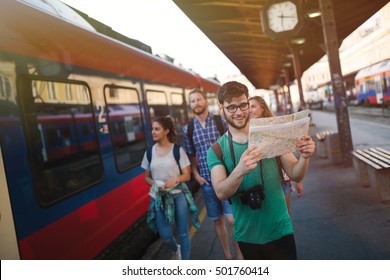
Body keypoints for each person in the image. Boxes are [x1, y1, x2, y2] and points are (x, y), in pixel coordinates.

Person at [207, 81, 315, 260]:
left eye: (243, 105)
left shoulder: (270, 135)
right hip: (248, 236)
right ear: (221, 108)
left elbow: (295, 174)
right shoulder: (216, 150)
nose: (239, 112)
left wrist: (305, 156)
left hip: (280, 229)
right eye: (231, 107)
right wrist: (240, 170)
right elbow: (220, 192)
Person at [183, 88, 243, 260]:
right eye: (193, 101)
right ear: (190, 105)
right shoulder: (188, 128)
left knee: (232, 219)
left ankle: (239, 256)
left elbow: (233, 141)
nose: (196, 103)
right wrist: (195, 174)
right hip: (207, 183)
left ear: (205, 101)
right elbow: (190, 154)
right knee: (218, 221)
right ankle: (228, 257)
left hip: (225, 178)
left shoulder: (219, 121)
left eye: (199, 99)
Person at [141, 116, 200, 260]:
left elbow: (187, 175)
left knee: (183, 233)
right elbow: (146, 176)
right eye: (152, 129)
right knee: (165, 235)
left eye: (157, 129)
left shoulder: (178, 151)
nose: (153, 132)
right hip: (160, 198)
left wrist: (176, 179)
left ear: (166, 131)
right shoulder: (149, 152)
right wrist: (153, 183)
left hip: (178, 195)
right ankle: (176, 248)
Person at [248, 96, 304, 215]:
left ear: (262, 108)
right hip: (262, 182)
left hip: (282, 179)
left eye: (253, 106)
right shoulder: (247, 130)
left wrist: (298, 181)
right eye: (248, 107)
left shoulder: (276, 127)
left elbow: (288, 152)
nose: (249, 110)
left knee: (285, 217)